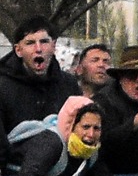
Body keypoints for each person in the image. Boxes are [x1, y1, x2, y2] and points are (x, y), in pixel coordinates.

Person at [0, 18, 79, 148]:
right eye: (30, 43)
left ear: (53, 46)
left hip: (60, 163)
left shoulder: (68, 84)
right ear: (18, 50)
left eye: (44, 42)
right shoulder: (3, 86)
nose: (38, 49)